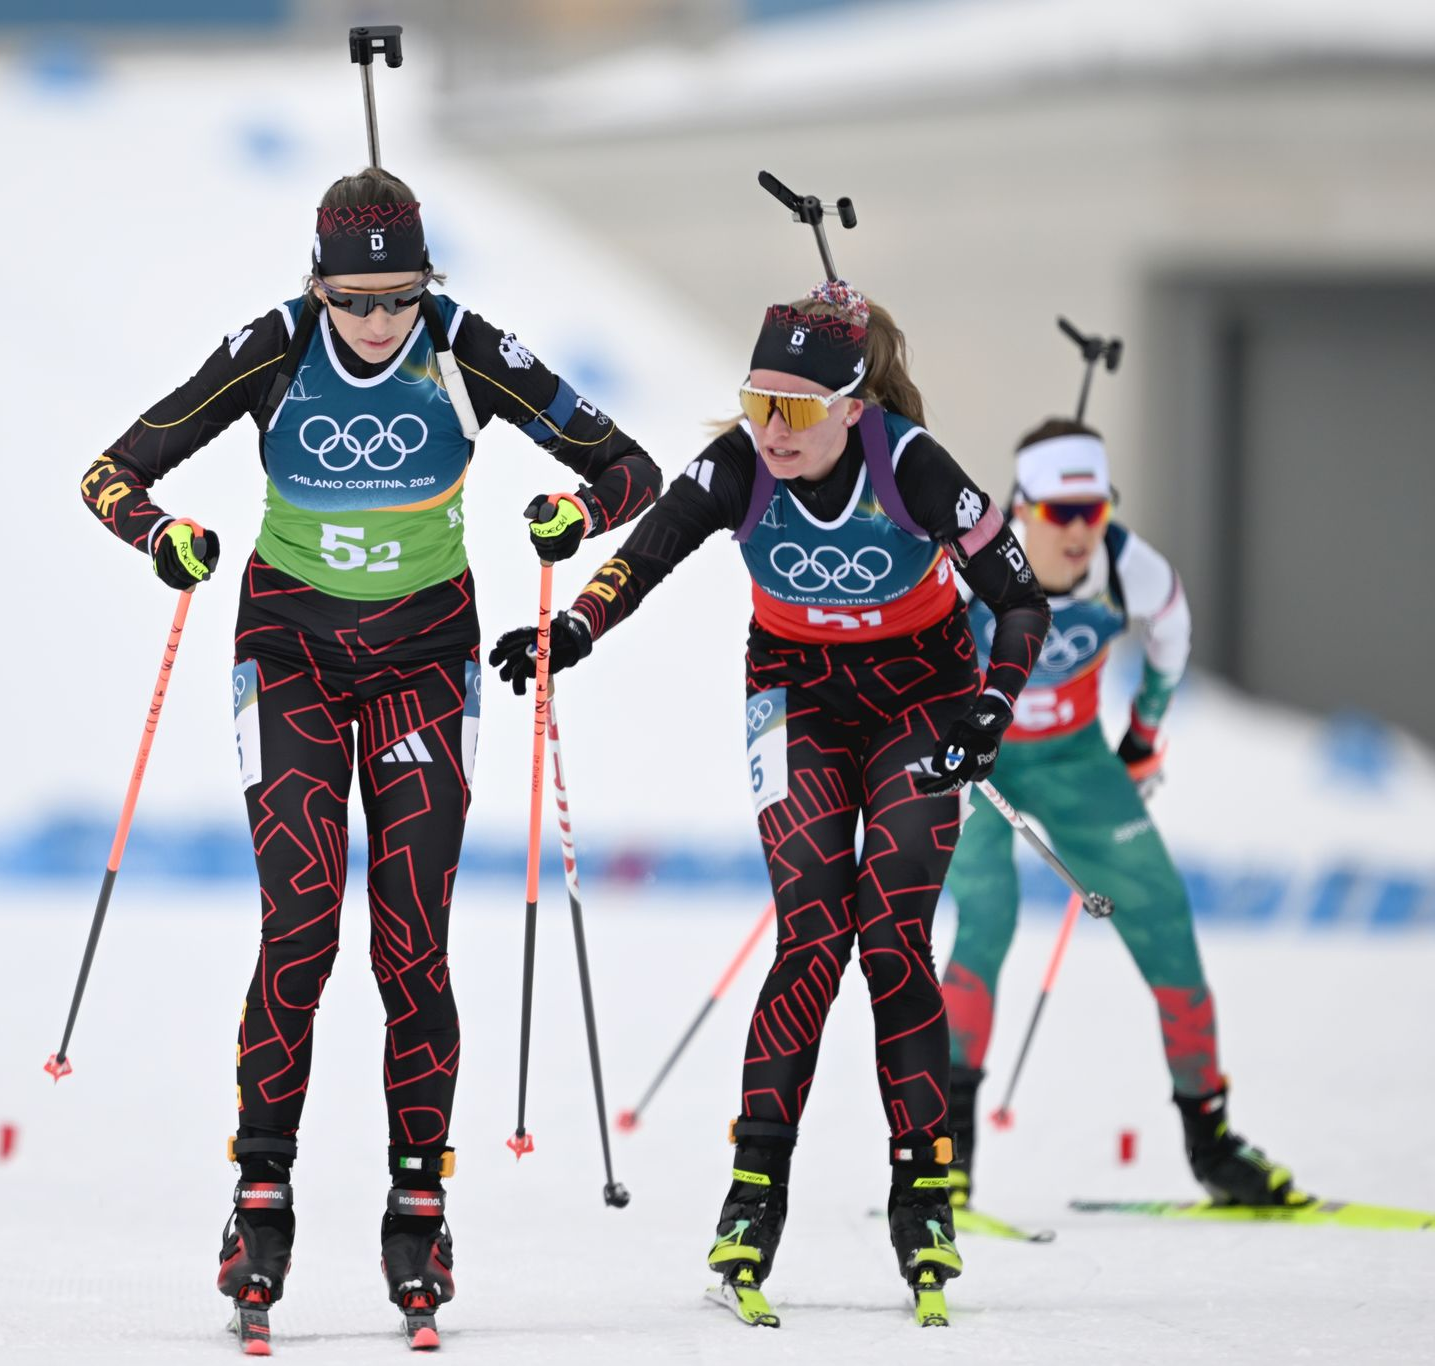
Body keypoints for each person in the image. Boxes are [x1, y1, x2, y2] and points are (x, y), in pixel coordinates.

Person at [80, 166, 660, 1346]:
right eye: (355, 300)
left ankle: (418, 1208)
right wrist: (165, 538)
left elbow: (631, 472)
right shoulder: (272, 346)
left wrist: (572, 516)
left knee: (409, 939)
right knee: (299, 924)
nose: (379, 323)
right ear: (316, 286)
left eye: (400, 297)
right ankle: (258, 1204)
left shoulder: (466, 347)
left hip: (421, 657)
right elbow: (109, 474)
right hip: (288, 647)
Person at [490, 279, 1049, 1321]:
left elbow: (1019, 597)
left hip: (919, 698)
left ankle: (920, 1188)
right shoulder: (739, 464)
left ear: (850, 403)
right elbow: (646, 552)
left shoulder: (909, 463)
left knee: (888, 934)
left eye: (792, 409)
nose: (769, 429)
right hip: (793, 696)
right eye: (755, 401)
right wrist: (570, 631)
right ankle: (753, 1191)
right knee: (809, 933)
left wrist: (989, 710)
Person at [941, 419, 1297, 1207]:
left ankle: (1213, 1145)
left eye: (1093, 510)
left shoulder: (1127, 567)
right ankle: (947, 1151)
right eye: (1060, 512)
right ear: (1021, 506)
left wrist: (1143, 736)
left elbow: (1173, 632)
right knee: (986, 920)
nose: (1079, 531)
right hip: (985, 762)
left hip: (1076, 761)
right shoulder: (970, 560)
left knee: (1165, 916)